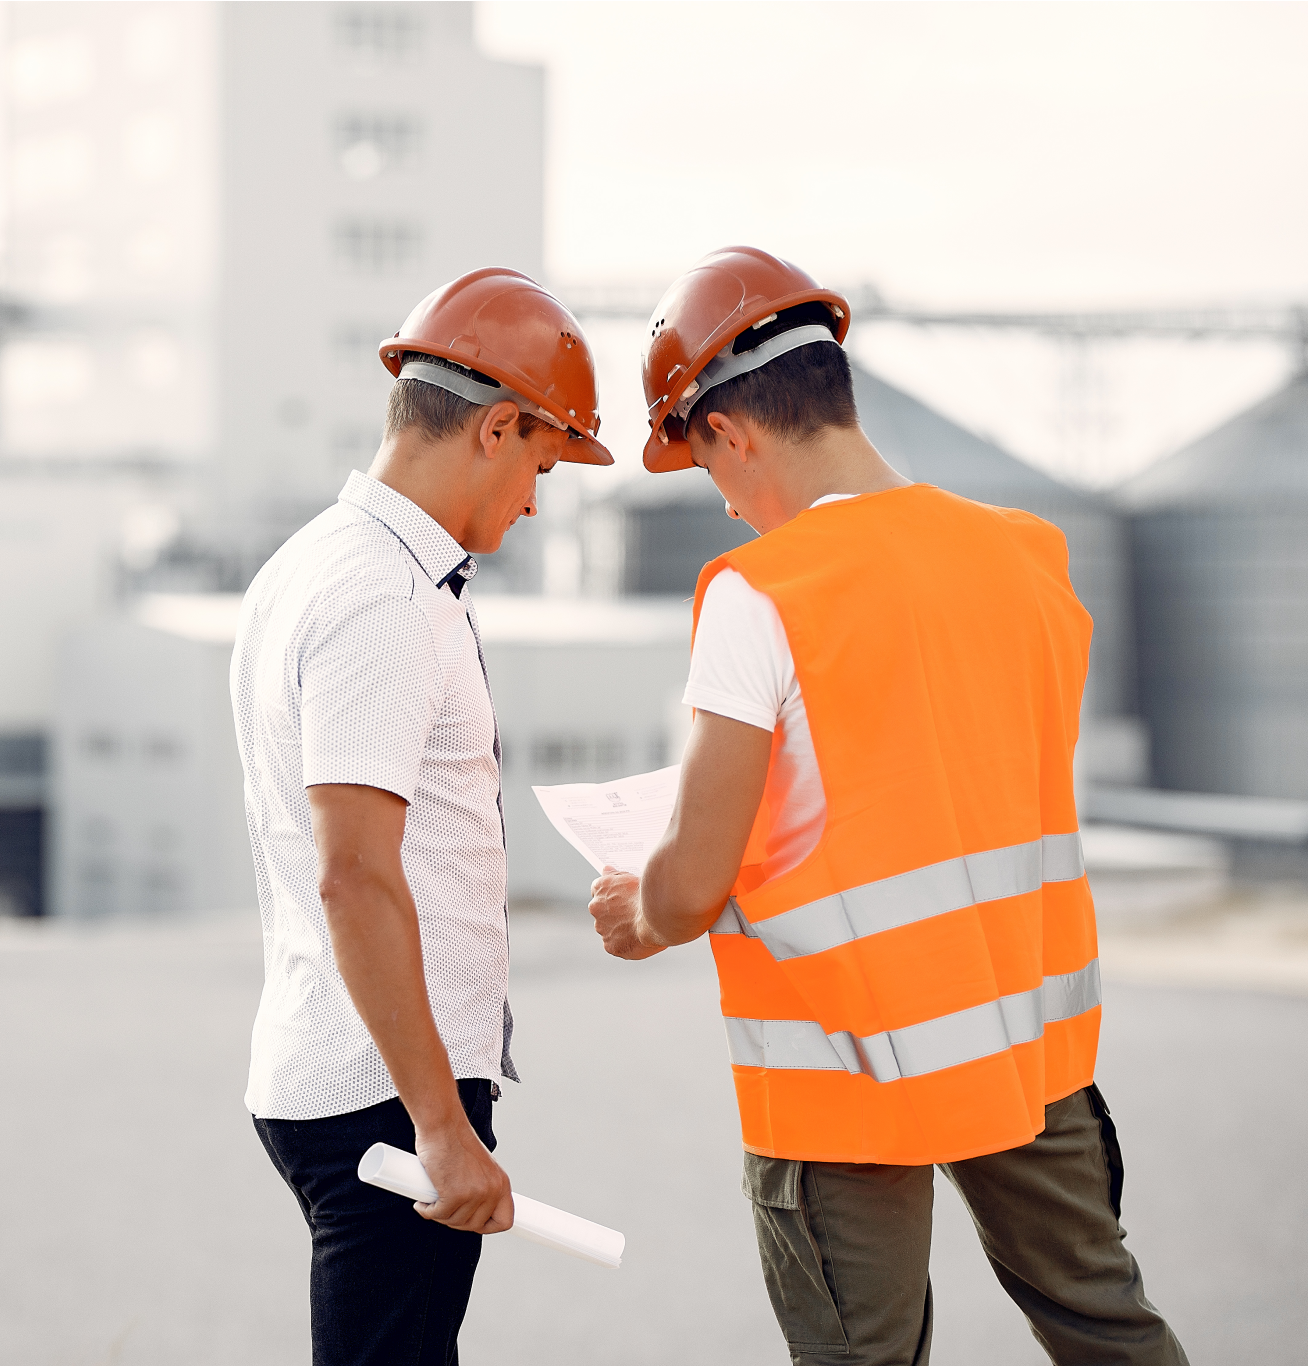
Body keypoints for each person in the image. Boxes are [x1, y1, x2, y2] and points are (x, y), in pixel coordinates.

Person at [588, 246, 1185, 1365]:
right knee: (1106, 1325)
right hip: (1024, 1039)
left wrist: (645, 907)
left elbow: (691, 878)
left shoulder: (762, 593)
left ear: (727, 430)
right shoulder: (1028, 559)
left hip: (839, 1065)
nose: (721, 503)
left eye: (705, 468)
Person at [230, 267, 613, 1365]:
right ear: (496, 427)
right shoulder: (383, 600)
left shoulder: (313, 565)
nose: (536, 499)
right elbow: (353, 871)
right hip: (386, 1099)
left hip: (355, 1069)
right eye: (541, 463)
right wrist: (441, 1127)